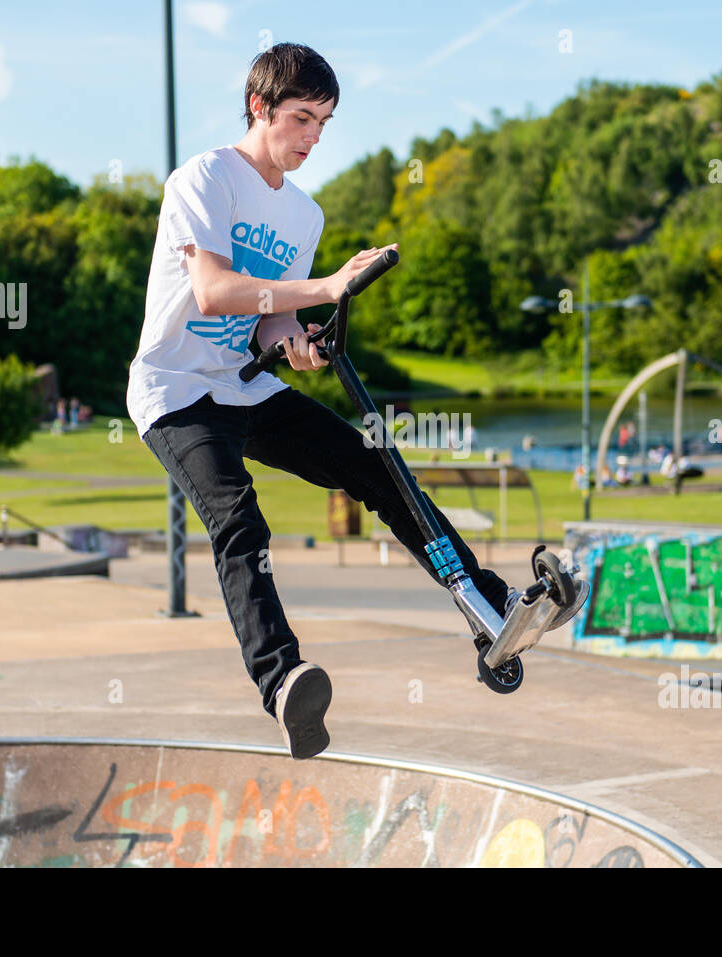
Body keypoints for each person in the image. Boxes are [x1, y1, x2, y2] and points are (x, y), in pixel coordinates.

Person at [126, 44, 568, 761]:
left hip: (245, 383)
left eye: (324, 123)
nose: (312, 138)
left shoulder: (303, 215)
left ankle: (488, 610)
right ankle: (282, 680)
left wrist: (294, 340)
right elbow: (213, 290)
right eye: (301, 118)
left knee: (379, 465)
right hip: (176, 394)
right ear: (258, 108)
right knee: (237, 517)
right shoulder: (204, 179)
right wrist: (327, 288)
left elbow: (265, 317)